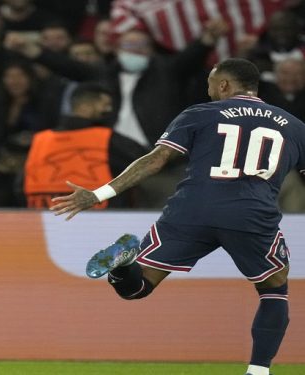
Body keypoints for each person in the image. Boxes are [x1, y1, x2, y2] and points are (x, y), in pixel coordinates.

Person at [51, 58, 303, 375]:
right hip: (251, 215)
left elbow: (157, 160)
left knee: (137, 288)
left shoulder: (200, 113)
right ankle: (258, 371)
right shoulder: (294, 126)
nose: (208, 88)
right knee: (274, 291)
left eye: (211, 82)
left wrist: (98, 194)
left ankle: (123, 265)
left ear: (224, 85)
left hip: (191, 210)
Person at [23, 82, 146, 208]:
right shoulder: (107, 138)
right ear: (85, 107)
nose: (108, 110)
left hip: (43, 215)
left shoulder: (40, 139)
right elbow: (145, 161)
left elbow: (21, 182)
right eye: (105, 105)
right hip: (102, 216)